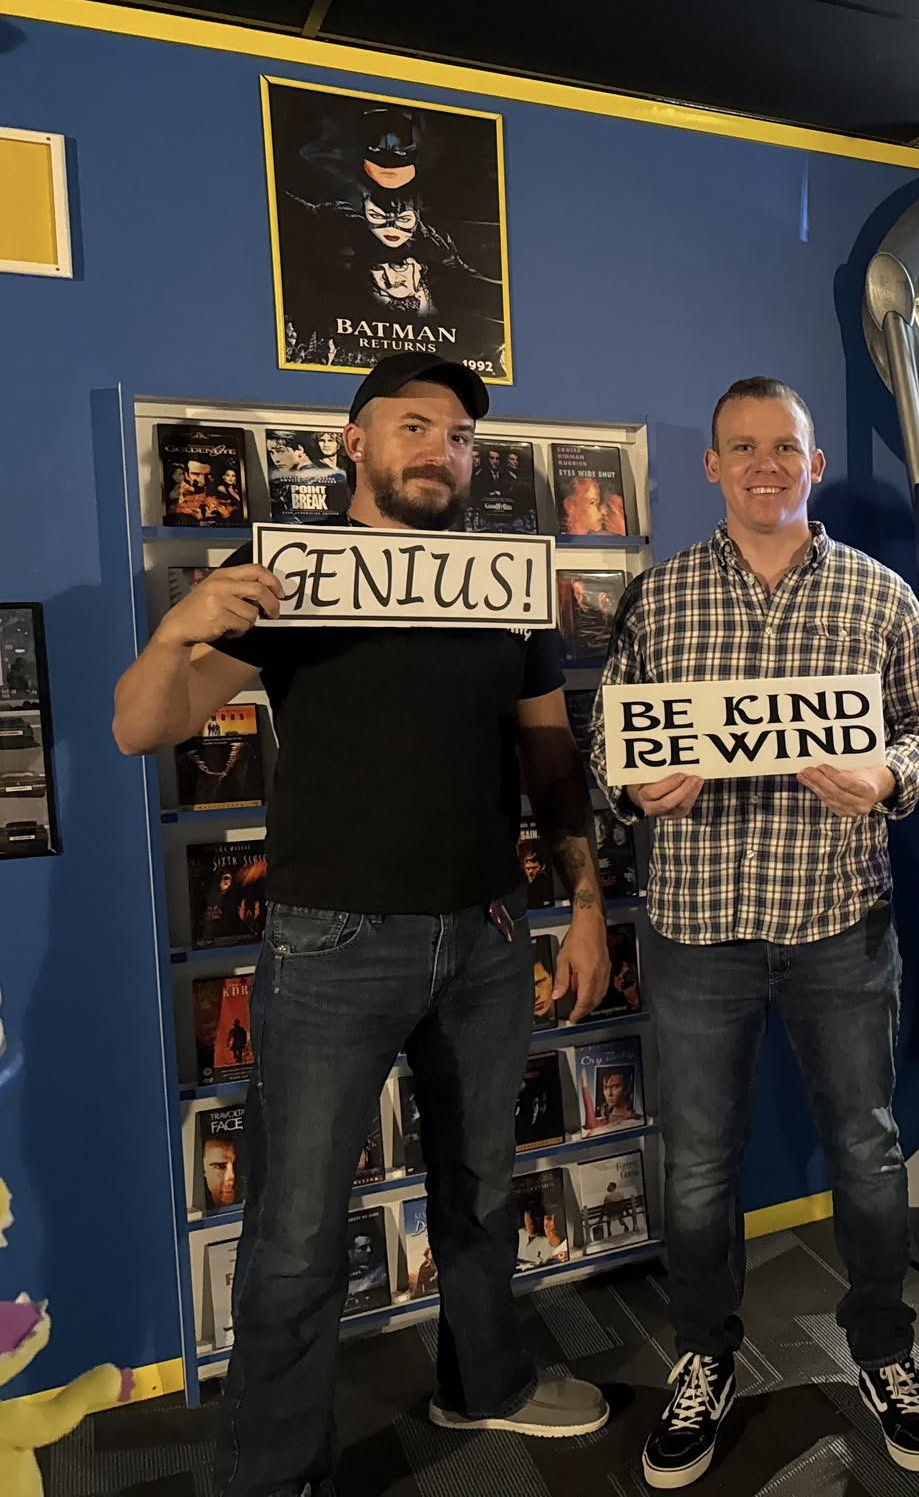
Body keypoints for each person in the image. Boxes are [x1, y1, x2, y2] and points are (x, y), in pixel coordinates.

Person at [112, 351, 612, 1497]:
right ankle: (271, 1473)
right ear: (354, 441)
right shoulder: (290, 575)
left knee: (482, 1188)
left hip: (487, 936)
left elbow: (549, 756)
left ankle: (482, 1383)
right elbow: (140, 726)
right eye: (414, 426)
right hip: (331, 945)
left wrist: (582, 905)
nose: (442, 449)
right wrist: (178, 628)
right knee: (294, 1234)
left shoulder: (502, 584)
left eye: (460, 436)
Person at [588, 376, 919, 1489]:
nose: (764, 465)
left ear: (814, 463)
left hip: (838, 918)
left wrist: (888, 776)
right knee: (700, 1165)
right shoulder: (658, 597)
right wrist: (631, 786)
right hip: (696, 924)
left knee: (867, 1150)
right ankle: (704, 1356)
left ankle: (884, 1351)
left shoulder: (878, 593)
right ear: (712, 465)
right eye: (742, 447)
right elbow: (610, 741)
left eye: (783, 447)